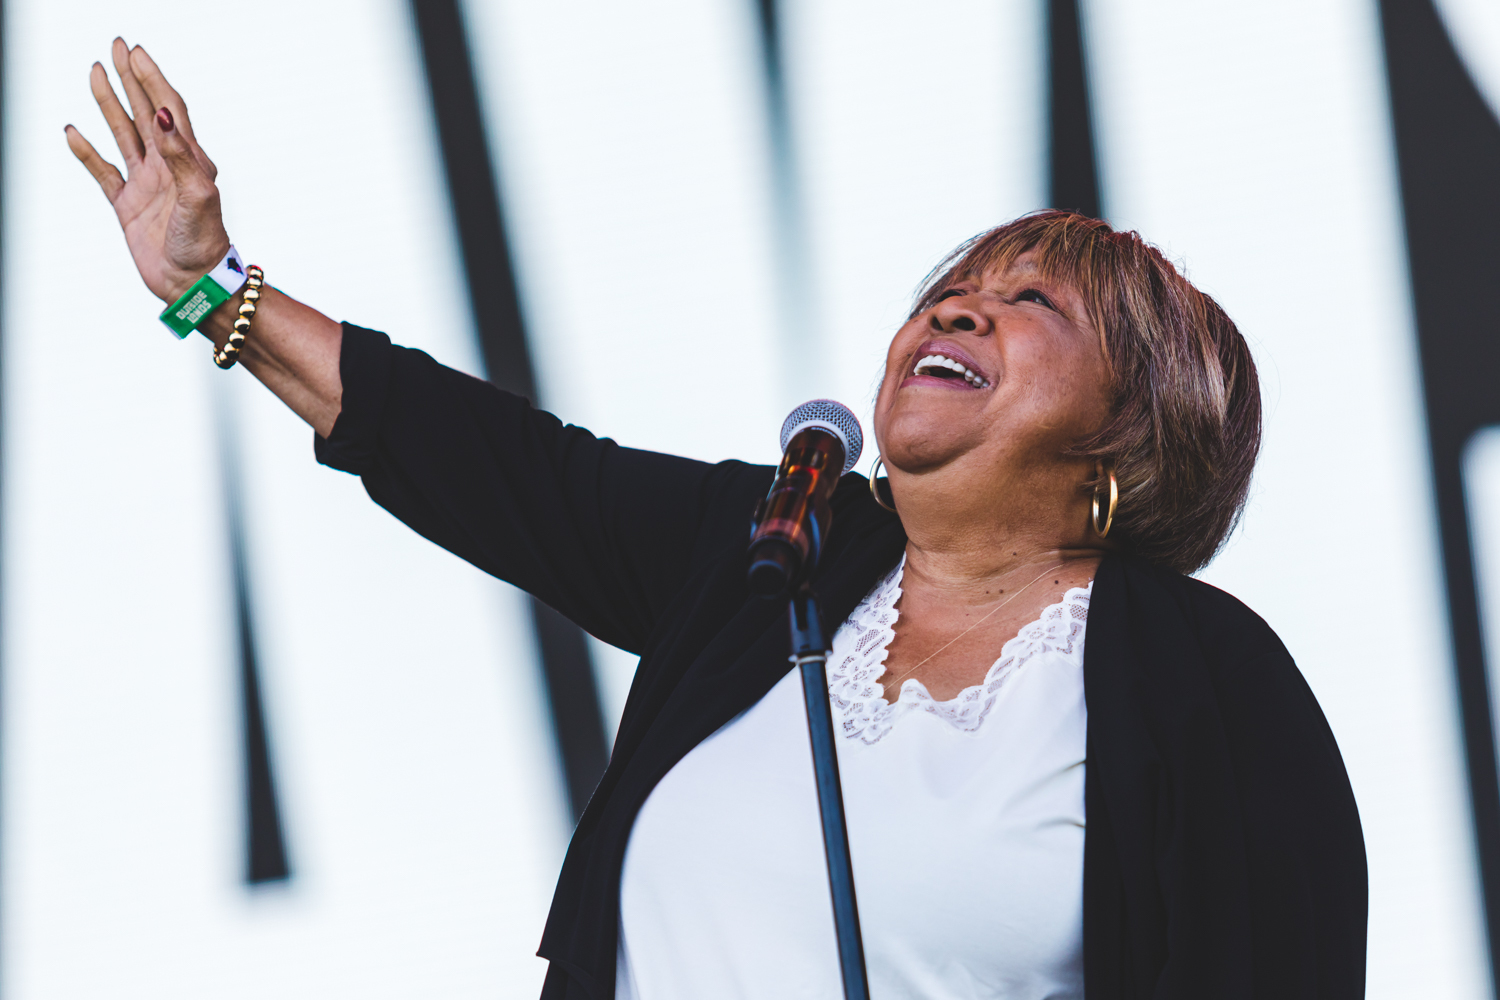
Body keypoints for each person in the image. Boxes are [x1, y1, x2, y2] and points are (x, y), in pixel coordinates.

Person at [67, 40, 1366, 1000]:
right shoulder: (778, 566)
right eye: (948, 290)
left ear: (1135, 421)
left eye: (1031, 301)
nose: (956, 310)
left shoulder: (1203, 680)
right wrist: (207, 285)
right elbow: (502, 466)